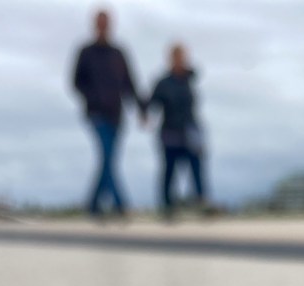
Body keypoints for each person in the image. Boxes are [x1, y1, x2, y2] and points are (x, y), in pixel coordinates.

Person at [72, 9, 145, 218]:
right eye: (100, 22)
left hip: (116, 114)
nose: (103, 26)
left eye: (106, 23)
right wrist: (93, 98)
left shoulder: (118, 53)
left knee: (108, 159)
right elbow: (76, 81)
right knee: (107, 156)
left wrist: (141, 108)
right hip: (96, 114)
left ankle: (93, 205)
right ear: (95, 24)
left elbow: (130, 83)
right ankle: (121, 205)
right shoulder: (86, 52)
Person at [146, 44, 207, 220]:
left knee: (196, 167)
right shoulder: (163, 83)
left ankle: (201, 202)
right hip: (170, 132)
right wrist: (145, 114)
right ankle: (167, 207)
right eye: (177, 56)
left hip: (190, 131)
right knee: (169, 171)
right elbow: (152, 103)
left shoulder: (189, 79)